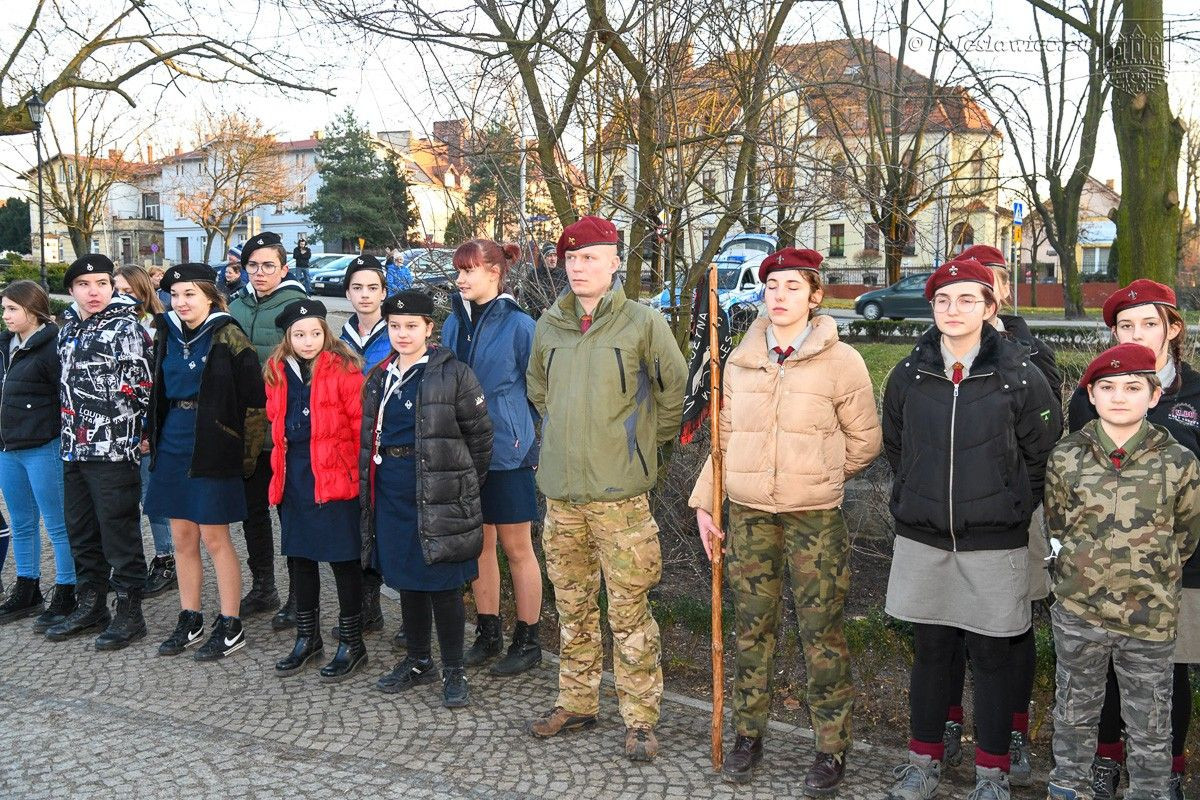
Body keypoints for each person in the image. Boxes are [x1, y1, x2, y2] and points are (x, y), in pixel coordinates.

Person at [689, 248, 882, 790]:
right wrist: (707, 504)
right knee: (752, 630)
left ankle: (830, 747)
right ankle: (749, 734)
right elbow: (724, 440)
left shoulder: (840, 361)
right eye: (772, 286)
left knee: (821, 634)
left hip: (813, 520)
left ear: (815, 295)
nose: (779, 296)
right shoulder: (741, 359)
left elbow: (865, 440)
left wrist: (818, 474)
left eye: (793, 287)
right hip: (749, 515)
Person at [881, 257, 1061, 800]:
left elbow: (1042, 454)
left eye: (966, 299)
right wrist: (922, 492)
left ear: (989, 308)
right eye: (942, 300)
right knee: (932, 652)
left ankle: (991, 773)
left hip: (995, 542)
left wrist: (1006, 503)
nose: (952, 310)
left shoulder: (1020, 375)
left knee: (992, 657)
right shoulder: (909, 374)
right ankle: (923, 764)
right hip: (924, 538)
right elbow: (897, 444)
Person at [524, 215, 688, 762]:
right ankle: (577, 700)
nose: (578, 267)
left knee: (629, 610)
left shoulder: (641, 323)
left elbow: (673, 388)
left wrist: (643, 445)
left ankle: (641, 719)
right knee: (571, 606)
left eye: (590, 257)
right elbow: (538, 390)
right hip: (562, 497)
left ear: (615, 262)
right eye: (570, 259)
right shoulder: (550, 323)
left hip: (621, 499)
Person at [1046, 342, 1200, 800]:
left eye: (1133, 387)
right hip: (1079, 612)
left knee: (1151, 721)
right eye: (1106, 387)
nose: (1118, 396)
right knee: (1074, 712)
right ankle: (1068, 786)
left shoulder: (1180, 463)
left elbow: (1186, 533)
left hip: (1148, 617)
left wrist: (1155, 574)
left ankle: (1149, 791)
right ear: (1090, 395)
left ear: (1154, 396)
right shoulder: (1066, 457)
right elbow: (1057, 522)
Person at [939, 244, 1064, 785]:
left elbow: (1045, 441)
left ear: (999, 293)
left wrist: (1017, 499)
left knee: (1011, 628)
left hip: (1017, 514)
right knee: (942, 628)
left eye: (985, 281)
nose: (970, 296)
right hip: (946, 518)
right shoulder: (934, 354)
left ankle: (1012, 731)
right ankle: (944, 726)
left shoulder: (1031, 355)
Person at [362, 290, 493, 708]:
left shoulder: (452, 373)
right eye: (395, 326)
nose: (402, 333)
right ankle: (419, 660)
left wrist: (462, 486)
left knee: (442, 583)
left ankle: (454, 668)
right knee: (407, 580)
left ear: (429, 329)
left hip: (438, 492)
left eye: (411, 326)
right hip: (392, 490)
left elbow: (480, 438)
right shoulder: (380, 377)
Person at [144, 263, 266, 660]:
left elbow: (253, 404)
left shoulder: (229, 335)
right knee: (182, 537)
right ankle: (190, 616)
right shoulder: (166, 331)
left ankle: (231, 623)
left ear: (210, 297)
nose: (180, 302)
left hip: (213, 443)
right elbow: (157, 390)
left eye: (189, 294)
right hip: (174, 439)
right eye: (175, 295)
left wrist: (244, 459)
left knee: (215, 538)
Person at [442, 239, 543, 675]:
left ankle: (529, 637)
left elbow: (540, 391)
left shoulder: (521, 326)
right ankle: (488, 631)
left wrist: (532, 444)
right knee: (479, 545)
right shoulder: (450, 323)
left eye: (469, 270)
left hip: (508, 452)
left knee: (517, 547)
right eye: (459, 271)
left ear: (495, 273)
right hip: (464, 452)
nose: (461, 278)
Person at [45, 254, 153, 650]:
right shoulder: (67, 327)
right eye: (85, 285)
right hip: (74, 447)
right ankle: (92, 605)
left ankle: (130, 612)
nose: (95, 292)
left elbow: (144, 387)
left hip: (114, 449)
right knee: (82, 531)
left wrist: (143, 433)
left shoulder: (127, 328)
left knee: (118, 531)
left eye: (103, 283)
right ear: (71, 290)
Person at [264, 300, 367, 680]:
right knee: (300, 559)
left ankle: (352, 642)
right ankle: (307, 637)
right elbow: (276, 426)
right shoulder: (276, 370)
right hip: (295, 478)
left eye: (315, 333)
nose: (308, 341)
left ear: (326, 333)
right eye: (299, 335)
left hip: (336, 477)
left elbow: (359, 429)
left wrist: (362, 480)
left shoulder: (345, 368)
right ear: (287, 339)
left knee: (343, 561)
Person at [228, 231, 309, 628]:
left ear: (284, 268)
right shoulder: (235, 305)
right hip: (246, 427)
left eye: (268, 266)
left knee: (290, 511)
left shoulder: (297, 306)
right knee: (252, 511)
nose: (260, 273)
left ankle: (298, 596)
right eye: (253, 266)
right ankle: (264, 587)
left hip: (283, 425)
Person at [0, 281, 75, 630]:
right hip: (8, 449)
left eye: (12, 309)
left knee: (58, 524)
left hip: (44, 446)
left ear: (33, 310)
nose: (5, 316)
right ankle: (27, 587)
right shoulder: (4, 346)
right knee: (22, 523)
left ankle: (67, 589)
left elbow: (66, 399)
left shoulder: (53, 345)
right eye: (4, 309)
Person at [333, 255, 393, 645]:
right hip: (352, 442)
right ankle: (369, 605)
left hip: (389, 440)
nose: (365, 295)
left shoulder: (399, 331)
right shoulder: (339, 337)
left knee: (395, 524)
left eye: (373, 288)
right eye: (358, 288)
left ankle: (411, 609)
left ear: (384, 293)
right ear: (348, 292)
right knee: (360, 525)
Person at [114, 266, 175, 598]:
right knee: (126, 500)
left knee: (152, 497)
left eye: (127, 290)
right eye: (116, 289)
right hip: (117, 427)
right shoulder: (111, 327)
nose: (120, 296)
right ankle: (130, 563)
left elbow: (158, 383)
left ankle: (166, 559)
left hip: (146, 423)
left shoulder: (156, 326)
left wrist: (151, 428)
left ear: (142, 292)